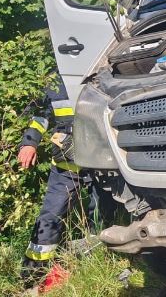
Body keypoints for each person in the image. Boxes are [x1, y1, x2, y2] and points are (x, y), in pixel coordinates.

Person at [17, 75, 109, 286]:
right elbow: (43, 116)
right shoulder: (55, 80)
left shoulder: (106, 70)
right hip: (66, 165)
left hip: (102, 163)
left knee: (101, 214)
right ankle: (32, 278)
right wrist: (29, 142)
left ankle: (99, 264)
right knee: (50, 217)